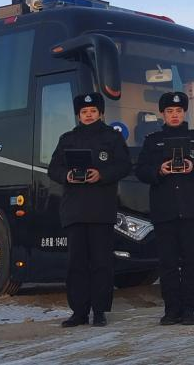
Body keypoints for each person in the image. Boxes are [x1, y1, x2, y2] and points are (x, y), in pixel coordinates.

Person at [135, 91, 194, 325]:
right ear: (162, 114)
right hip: (165, 212)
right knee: (168, 263)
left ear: (185, 112)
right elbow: (140, 170)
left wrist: (193, 166)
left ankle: (189, 309)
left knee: (192, 262)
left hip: (192, 212)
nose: (174, 115)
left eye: (178, 111)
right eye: (170, 111)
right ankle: (171, 310)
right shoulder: (153, 141)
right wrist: (159, 170)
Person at [47, 92, 131, 327]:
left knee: (102, 263)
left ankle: (100, 311)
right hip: (74, 211)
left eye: (93, 111)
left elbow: (125, 165)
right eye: (84, 112)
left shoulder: (111, 138)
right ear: (78, 115)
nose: (89, 115)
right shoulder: (67, 139)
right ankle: (79, 312)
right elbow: (53, 168)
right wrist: (67, 175)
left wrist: (101, 174)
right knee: (76, 264)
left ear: (101, 113)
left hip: (101, 211)